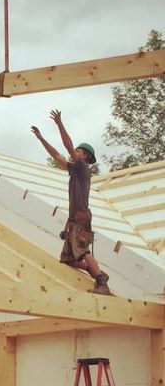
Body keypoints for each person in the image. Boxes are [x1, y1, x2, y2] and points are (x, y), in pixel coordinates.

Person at [31, 110, 111, 295]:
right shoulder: (74, 169)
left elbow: (67, 147)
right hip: (74, 219)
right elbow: (57, 155)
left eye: (77, 151)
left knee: (83, 251)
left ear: (85, 157)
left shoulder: (82, 168)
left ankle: (101, 282)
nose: (74, 152)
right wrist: (41, 138)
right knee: (68, 259)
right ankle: (97, 271)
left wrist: (59, 123)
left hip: (81, 218)